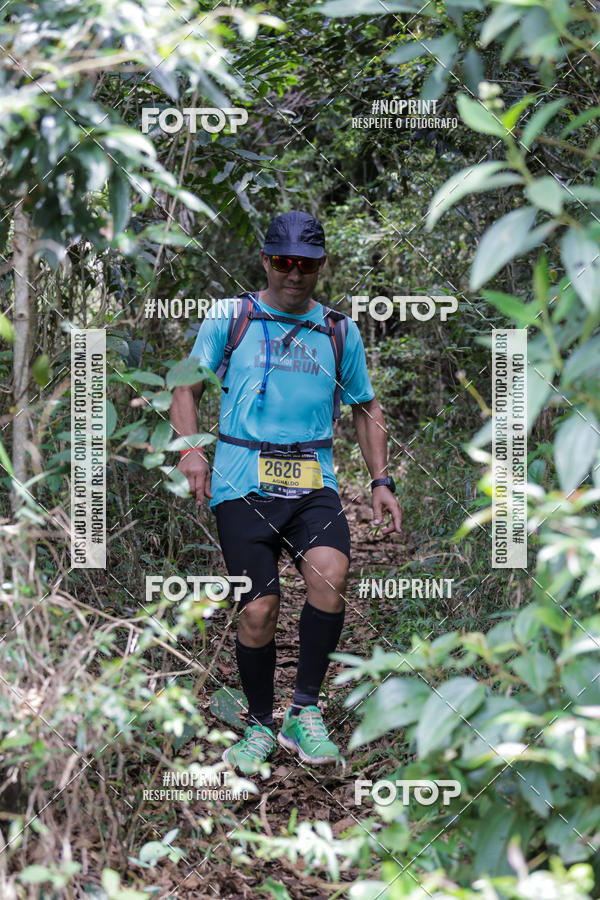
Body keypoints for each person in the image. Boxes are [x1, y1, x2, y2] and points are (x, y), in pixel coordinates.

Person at [170, 210, 401, 775]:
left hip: (312, 481)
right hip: (242, 482)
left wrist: (380, 479)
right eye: (283, 262)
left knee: (331, 573)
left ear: (321, 266)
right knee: (259, 608)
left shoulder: (339, 330)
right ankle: (257, 724)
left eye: (306, 265)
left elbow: (366, 405)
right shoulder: (232, 316)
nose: (294, 274)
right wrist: (191, 449)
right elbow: (185, 383)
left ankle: (304, 711)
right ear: (267, 261)